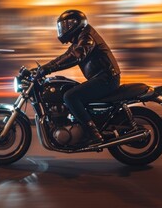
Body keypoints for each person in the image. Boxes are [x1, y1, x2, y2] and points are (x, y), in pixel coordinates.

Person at [34, 10, 121, 145]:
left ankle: (93, 133)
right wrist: (42, 68)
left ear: (76, 24)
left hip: (106, 79)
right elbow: (65, 57)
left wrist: (48, 69)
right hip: (102, 78)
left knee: (70, 96)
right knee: (68, 91)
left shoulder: (87, 37)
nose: (64, 29)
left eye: (67, 25)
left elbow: (77, 55)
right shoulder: (79, 38)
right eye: (63, 26)